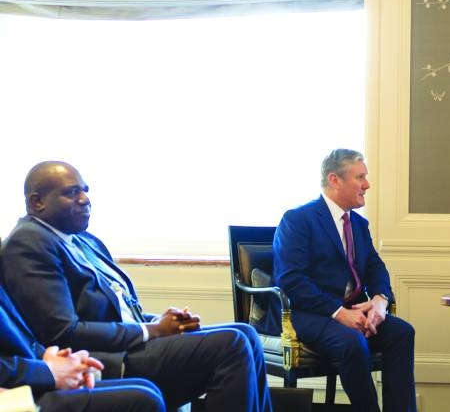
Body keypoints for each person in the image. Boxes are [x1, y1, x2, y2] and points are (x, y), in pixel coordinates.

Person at [0, 161, 272, 412]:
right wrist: (151, 330)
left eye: (85, 190)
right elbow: (63, 331)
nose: (84, 200)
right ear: (37, 202)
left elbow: (117, 308)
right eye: (71, 193)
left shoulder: (82, 239)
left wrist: (163, 323)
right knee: (230, 345)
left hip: (129, 342)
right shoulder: (30, 242)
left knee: (246, 333)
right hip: (106, 355)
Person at [273, 149, 416, 412]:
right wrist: (339, 312)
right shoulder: (298, 220)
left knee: (402, 333)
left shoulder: (359, 224)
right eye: (360, 177)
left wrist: (380, 302)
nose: (367, 184)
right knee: (352, 341)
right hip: (312, 314)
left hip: (355, 310)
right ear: (334, 180)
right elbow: (291, 280)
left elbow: (376, 268)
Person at [0, 280, 165, 412]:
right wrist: (48, 371)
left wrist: (51, 360)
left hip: (21, 372)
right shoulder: (29, 244)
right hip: (10, 392)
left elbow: (16, 336)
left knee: (148, 388)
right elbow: (64, 330)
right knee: (143, 400)